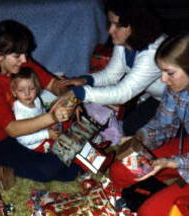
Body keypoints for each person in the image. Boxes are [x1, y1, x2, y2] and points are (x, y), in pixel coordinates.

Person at [0, 19, 82, 182]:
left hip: (29, 123)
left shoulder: (20, 65)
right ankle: (68, 160)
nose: (24, 59)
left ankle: (70, 157)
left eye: (24, 53)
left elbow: (54, 84)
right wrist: (53, 116)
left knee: (76, 130)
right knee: (48, 169)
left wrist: (70, 98)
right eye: (17, 56)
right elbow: (12, 129)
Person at [57, 0, 166, 136]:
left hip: (180, 100)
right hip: (160, 97)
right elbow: (111, 75)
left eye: (117, 25)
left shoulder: (152, 53)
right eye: (110, 23)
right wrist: (85, 80)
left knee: (139, 133)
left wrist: (80, 93)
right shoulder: (125, 42)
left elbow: (122, 94)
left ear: (135, 26)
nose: (110, 30)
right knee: (128, 127)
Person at [109, 32, 189, 216]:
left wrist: (173, 163)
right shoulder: (174, 87)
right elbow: (164, 124)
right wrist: (139, 138)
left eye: (169, 73)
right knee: (121, 170)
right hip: (184, 150)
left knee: (151, 212)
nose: (162, 79)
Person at [11, 67, 59, 153]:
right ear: (14, 92)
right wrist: (47, 134)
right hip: (34, 145)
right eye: (21, 90)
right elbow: (24, 139)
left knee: (65, 125)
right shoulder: (19, 114)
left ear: (37, 88)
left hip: (44, 131)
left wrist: (50, 123)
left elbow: (42, 112)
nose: (27, 93)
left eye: (32, 89)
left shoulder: (36, 100)